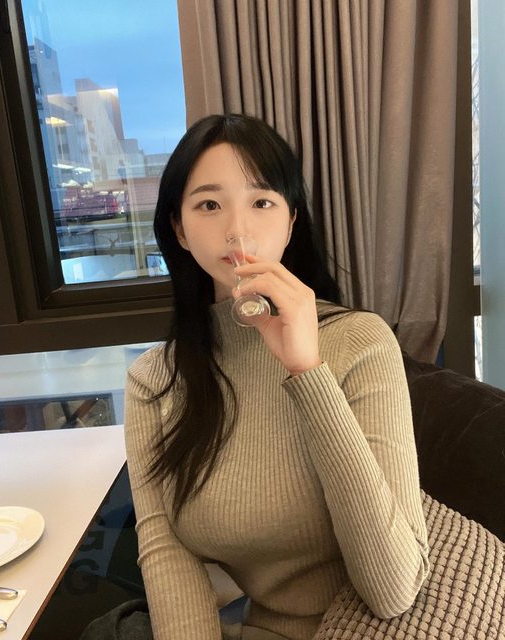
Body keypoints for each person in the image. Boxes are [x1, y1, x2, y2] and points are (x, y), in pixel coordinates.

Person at [124, 113, 430, 640]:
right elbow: (167, 557)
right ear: (179, 229)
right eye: (209, 205)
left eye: (261, 202)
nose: (237, 230)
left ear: (291, 222)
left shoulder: (362, 341)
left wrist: (307, 371)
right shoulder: (155, 380)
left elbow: (394, 589)